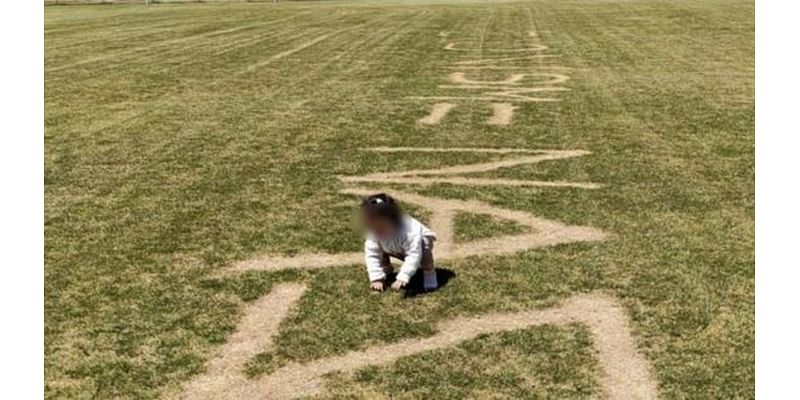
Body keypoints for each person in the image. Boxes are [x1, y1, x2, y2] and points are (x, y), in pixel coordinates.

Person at [360, 193, 438, 292]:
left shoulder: (409, 232)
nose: (378, 231)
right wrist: (376, 278)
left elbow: (414, 254)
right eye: (373, 227)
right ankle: (386, 271)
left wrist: (403, 276)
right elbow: (372, 254)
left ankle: (429, 273)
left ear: (394, 220)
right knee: (378, 248)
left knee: (425, 254)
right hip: (393, 247)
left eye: (382, 227)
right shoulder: (375, 232)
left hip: (419, 245)